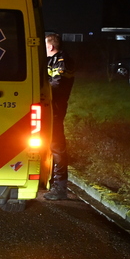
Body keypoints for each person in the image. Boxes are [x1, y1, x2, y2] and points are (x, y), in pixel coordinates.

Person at [44, 33, 74, 200]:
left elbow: (57, 84)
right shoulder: (52, 60)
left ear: (51, 46)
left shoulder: (62, 61)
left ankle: (60, 188)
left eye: (44, 45)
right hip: (49, 107)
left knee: (57, 146)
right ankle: (49, 181)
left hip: (55, 108)